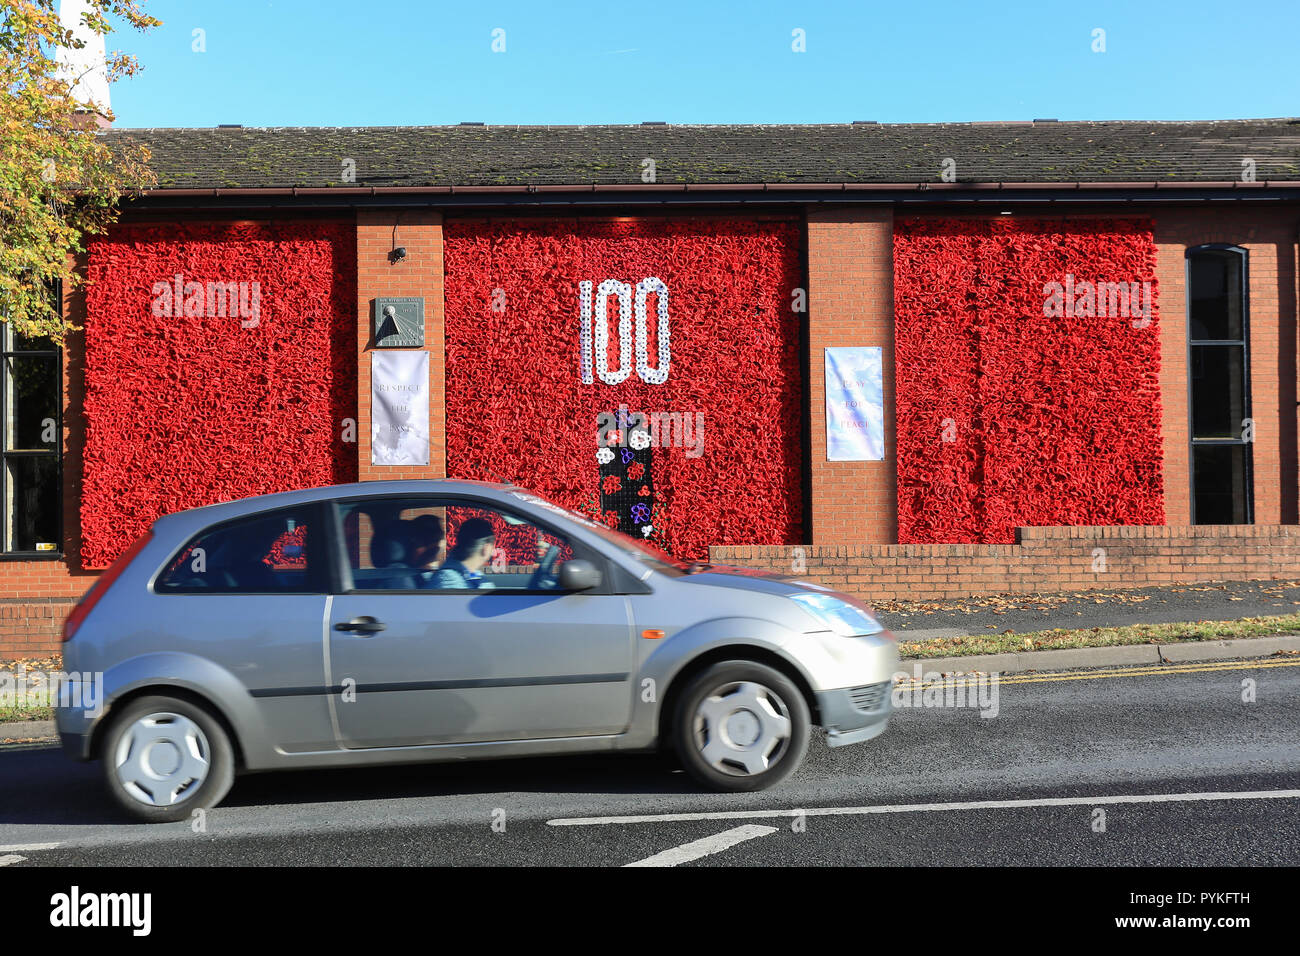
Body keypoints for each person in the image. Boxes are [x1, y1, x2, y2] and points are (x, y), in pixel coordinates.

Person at [429, 517, 496, 589]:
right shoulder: (450, 581)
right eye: (492, 547)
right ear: (485, 549)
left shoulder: (473, 575)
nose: (493, 552)